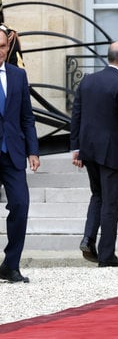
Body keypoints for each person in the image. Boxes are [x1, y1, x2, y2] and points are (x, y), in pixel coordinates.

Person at [70, 41, 118, 268]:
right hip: (111, 153)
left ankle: (88, 238)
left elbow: (76, 114)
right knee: (110, 203)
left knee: (97, 195)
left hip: (88, 150)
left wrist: (76, 148)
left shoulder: (88, 80)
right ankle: (107, 255)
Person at [0, 28, 39, 283]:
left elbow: (27, 116)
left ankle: (10, 265)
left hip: (12, 153)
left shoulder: (18, 75)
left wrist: (33, 151)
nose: (0, 51)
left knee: (21, 205)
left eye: (3, 46)